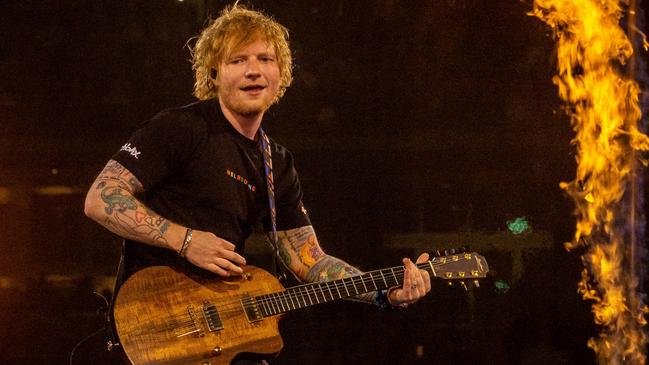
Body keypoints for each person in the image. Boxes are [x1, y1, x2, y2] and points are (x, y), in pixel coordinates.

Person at [83, 3, 431, 364]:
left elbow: (307, 260)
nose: (253, 71)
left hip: (222, 332)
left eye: (265, 59)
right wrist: (185, 240)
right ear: (214, 73)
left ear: (282, 74)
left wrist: (384, 292)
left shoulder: (275, 162)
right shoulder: (181, 128)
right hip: (156, 321)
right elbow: (100, 197)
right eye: (238, 60)